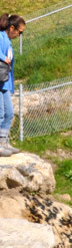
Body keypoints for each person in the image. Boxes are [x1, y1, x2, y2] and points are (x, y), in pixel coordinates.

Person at [0, 14, 25, 157]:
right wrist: (3, 58)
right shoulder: (1, 37)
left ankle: (3, 142)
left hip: (4, 83)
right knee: (0, 114)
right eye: (20, 32)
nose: (19, 35)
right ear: (11, 28)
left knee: (9, 113)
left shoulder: (7, 41)